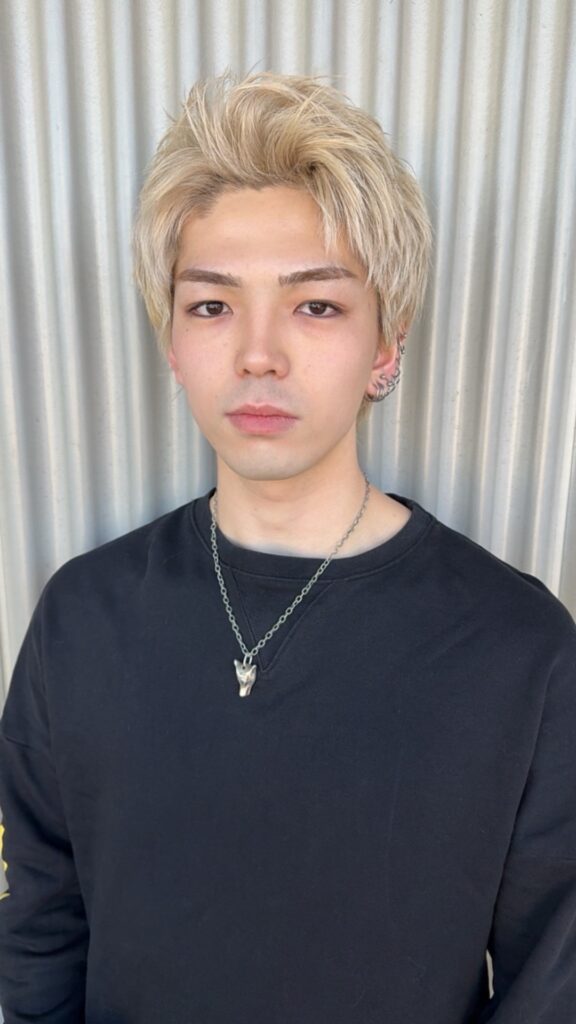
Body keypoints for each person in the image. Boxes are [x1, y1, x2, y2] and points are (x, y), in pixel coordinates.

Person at [0, 71, 575, 1024]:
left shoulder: (521, 649)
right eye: (212, 306)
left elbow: (550, 985)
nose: (258, 353)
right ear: (171, 342)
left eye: (316, 306)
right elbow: (36, 941)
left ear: (386, 346)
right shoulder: (82, 619)